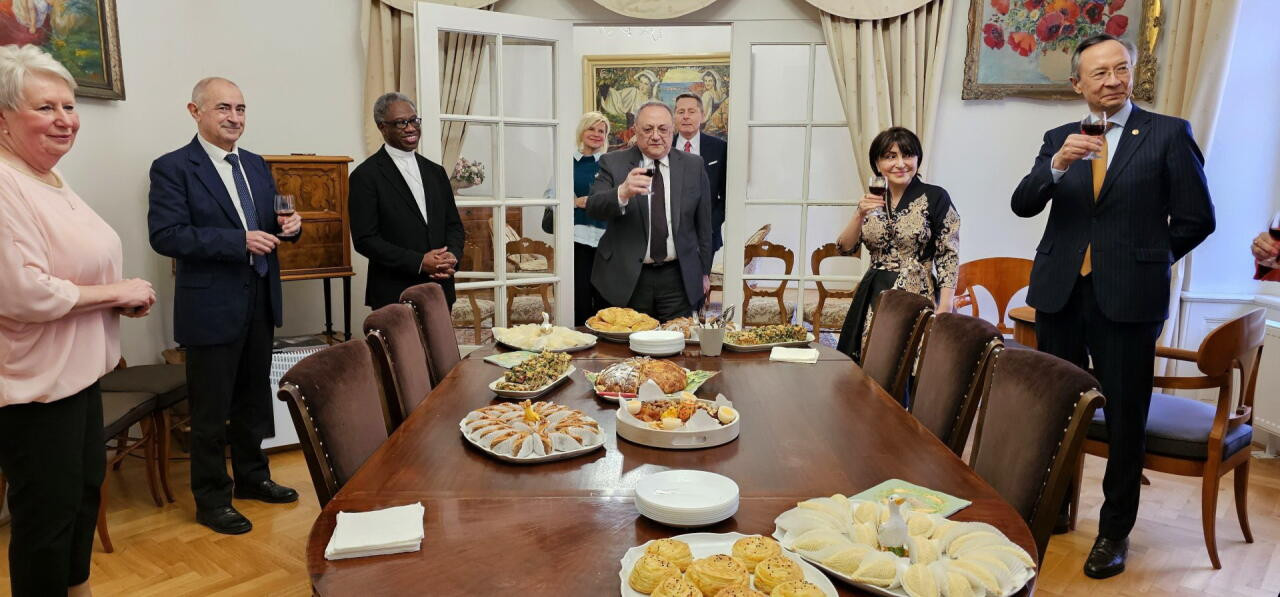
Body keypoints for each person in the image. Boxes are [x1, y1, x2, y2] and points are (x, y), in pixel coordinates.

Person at [1011, 34, 1215, 579]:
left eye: (1120, 69)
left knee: (1126, 418)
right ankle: (1054, 510)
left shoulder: (1168, 134)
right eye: (1099, 73)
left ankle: (1113, 530)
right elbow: (1024, 203)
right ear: (1077, 83)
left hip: (1128, 299)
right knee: (1056, 409)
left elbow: (1197, 218)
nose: (1112, 81)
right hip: (1059, 294)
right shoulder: (1059, 138)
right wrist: (1056, 165)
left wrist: (1146, 260)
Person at [0, 44, 155, 597]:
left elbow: (70, 266)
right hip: (35, 385)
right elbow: (22, 291)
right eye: (45, 108)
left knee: (81, 496)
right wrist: (115, 291)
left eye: (69, 106)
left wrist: (113, 299)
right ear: (3, 118)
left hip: (80, 373)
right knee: (47, 519)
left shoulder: (48, 176)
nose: (64, 119)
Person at [148, 76, 303, 535]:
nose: (234, 118)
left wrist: (291, 227)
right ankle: (212, 498)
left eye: (240, 108)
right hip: (210, 307)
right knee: (211, 411)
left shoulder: (255, 164)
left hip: (260, 299)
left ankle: (253, 478)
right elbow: (166, 235)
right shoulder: (173, 167)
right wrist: (238, 242)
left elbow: (272, 224)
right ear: (195, 112)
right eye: (223, 108)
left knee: (254, 400)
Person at [835, 127, 959, 363]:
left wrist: (945, 306)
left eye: (907, 155)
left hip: (917, 292)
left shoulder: (935, 197)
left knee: (908, 364)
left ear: (918, 159)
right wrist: (859, 214)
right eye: (890, 156)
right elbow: (845, 248)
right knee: (869, 363)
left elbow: (948, 254)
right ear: (877, 163)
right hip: (874, 292)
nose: (900, 164)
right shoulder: (872, 199)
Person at [586, 100, 713, 322]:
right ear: (635, 130)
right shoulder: (613, 162)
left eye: (663, 129)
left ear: (672, 130)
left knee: (677, 340)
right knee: (626, 342)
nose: (656, 136)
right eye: (648, 129)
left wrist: (704, 272)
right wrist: (622, 193)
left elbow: (704, 225)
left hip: (679, 278)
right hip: (627, 277)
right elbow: (594, 207)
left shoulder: (693, 165)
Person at [349, 92, 464, 310]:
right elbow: (365, 239)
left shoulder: (436, 172)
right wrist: (419, 262)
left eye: (414, 120)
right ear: (382, 127)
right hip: (394, 293)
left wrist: (452, 257)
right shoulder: (365, 176)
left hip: (440, 289)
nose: (411, 128)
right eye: (401, 123)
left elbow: (454, 225)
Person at [553, 111, 610, 325]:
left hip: (606, 240)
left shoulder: (609, 164)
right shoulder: (566, 163)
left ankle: (605, 341)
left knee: (605, 296)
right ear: (581, 131)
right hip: (576, 239)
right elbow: (550, 196)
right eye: (591, 129)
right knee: (579, 296)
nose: (596, 134)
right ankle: (581, 339)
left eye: (601, 131)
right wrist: (574, 202)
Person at [673, 92, 728, 254]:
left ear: (703, 116)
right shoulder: (663, 146)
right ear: (674, 117)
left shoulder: (719, 148)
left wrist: (709, 226)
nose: (686, 116)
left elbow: (727, 195)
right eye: (681, 112)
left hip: (706, 237)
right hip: (668, 236)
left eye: (691, 111)